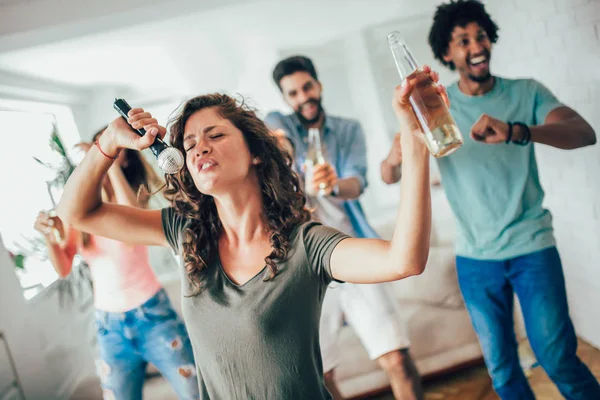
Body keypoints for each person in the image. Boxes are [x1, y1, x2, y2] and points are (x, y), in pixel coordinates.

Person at [54, 65, 441, 399]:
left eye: (216, 135)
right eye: (189, 145)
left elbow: (404, 259)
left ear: (255, 151)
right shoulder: (185, 231)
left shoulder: (306, 245)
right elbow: (78, 211)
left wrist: (415, 139)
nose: (200, 148)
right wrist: (107, 143)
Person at [383, 1, 600, 399]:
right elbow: (388, 174)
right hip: (475, 260)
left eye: (480, 36)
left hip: (532, 247)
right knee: (502, 372)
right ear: (447, 53)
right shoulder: (436, 105)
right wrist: (398, 154)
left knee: (558, 360)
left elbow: (584, 133)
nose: (475, 46)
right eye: (462, 40)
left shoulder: (526, 92)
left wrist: (518, 130)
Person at [264, 55, 423, 400]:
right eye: (293, 93)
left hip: (352, 252)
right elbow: (277, 143)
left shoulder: (347, 129)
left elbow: (357, 183)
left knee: (397, 357)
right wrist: (291, 159)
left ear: (319, 85)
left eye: (307, 87)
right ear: (285, 99)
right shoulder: (280, 126)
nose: (303, 97)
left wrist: (333, 185)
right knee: (320, 375)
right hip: (303, 267)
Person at [35, 130, 199, 400]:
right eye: (102, 145)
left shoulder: (134, 198)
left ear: (125, 159)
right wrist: (49, 238)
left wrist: (104, 160)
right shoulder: (80, 212)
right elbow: (63, 268)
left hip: (153, 316)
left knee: (195, 390)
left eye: (116, 147)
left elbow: (128, 236)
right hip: (108, 326)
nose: (108, 151)